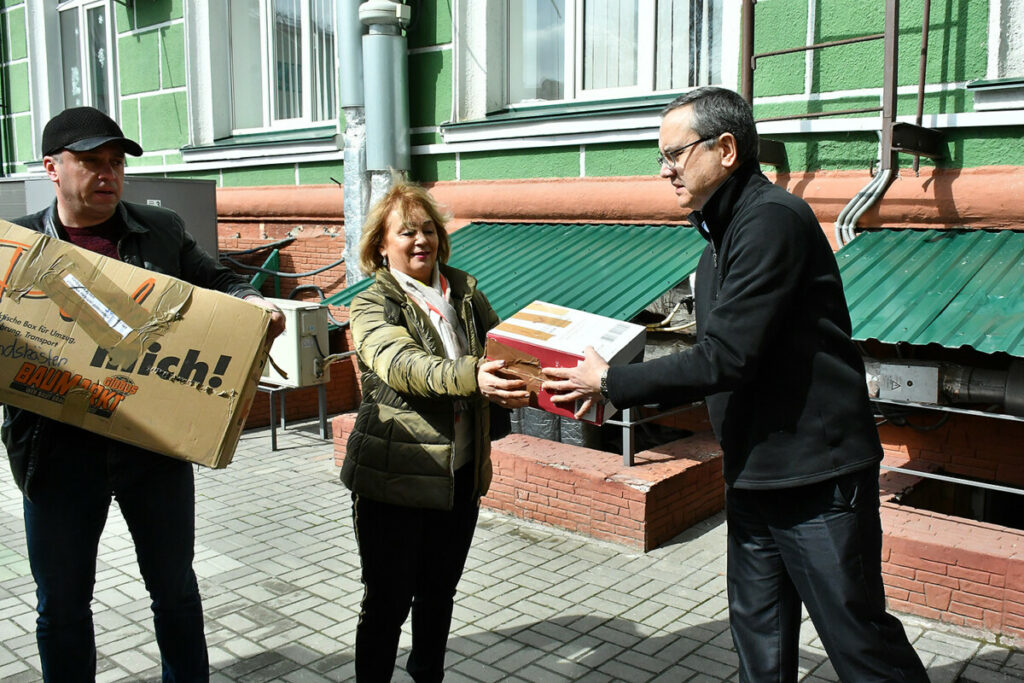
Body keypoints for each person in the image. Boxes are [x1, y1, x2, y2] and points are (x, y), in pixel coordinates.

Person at [541, 87, 929, 682]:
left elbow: (726, 358)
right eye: (660, 157)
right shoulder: (716, 245)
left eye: (674, 154)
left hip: (816, 482)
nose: (664, 170)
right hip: (753, 476)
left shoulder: (772, 221)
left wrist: (614, 381)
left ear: (725, 149)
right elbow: (715, 358)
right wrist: (611, 381)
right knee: (760, 649)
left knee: (859, 646)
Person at [2, 106, 286, 682]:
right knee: (62, 605)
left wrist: (253, 305)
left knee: (174, 591)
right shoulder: (17, 248)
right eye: (91, 162)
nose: (108, 173)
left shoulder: (161, 230)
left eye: (116, 163)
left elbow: (218, 280)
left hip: (152, 447)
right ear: (52, 168)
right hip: (55, 454)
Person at [341, 179, 528, 682]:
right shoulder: (372, 303)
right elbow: (402, 364)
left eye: (428, 230)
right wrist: (473, 376)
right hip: (394, 478)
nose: (421, 240)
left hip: (460, 473)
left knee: (439, 595)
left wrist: (537, 370)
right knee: (387, 603)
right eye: (406, 232)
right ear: (381, 245)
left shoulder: (463, 291)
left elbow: (502, 346)